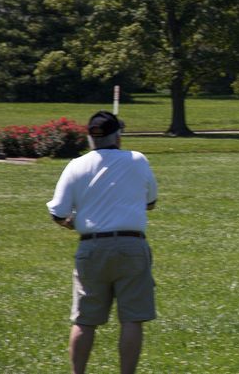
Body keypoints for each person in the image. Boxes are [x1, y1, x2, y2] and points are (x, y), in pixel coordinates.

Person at [47, 111, 158, 374]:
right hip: (132, 246)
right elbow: (150, 202)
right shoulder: (138, 160)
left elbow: (58, 212)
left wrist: (72, 223)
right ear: (118, 136)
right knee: (132, 319)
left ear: (90, 138)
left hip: (91, 247)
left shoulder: (76, 165)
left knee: (85, 321)